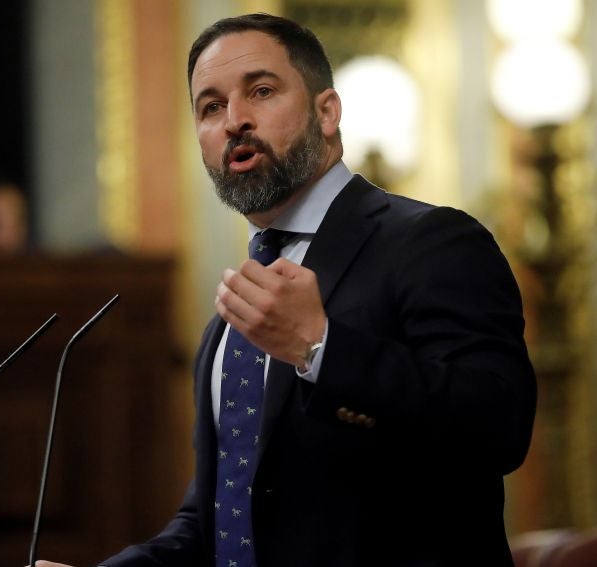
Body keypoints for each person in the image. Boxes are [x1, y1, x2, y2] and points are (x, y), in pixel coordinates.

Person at [39, 12, 536, 567]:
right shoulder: (234, 320)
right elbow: (219, 518)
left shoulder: (430, 242)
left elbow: (500, 426)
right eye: (210, 107)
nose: (234, 121)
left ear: (328, 111)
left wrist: (320, 347)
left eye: (261, 90)